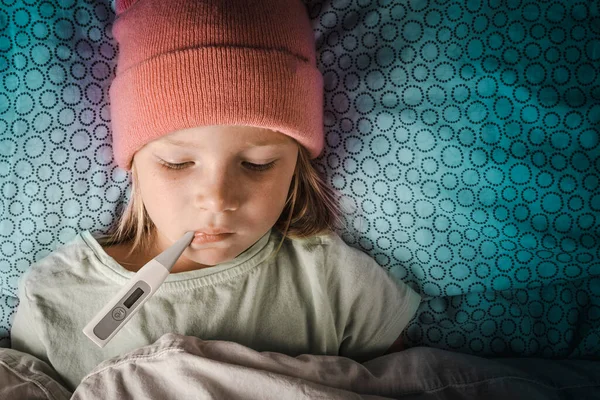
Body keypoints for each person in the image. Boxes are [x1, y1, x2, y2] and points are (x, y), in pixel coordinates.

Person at [9, 0, 421, 392]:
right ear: (133, 164)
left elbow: (405, 383)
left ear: (297, 167)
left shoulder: (336, 282)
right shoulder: (52, 297)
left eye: (258, 164)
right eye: (177, 163)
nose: (217, 199)